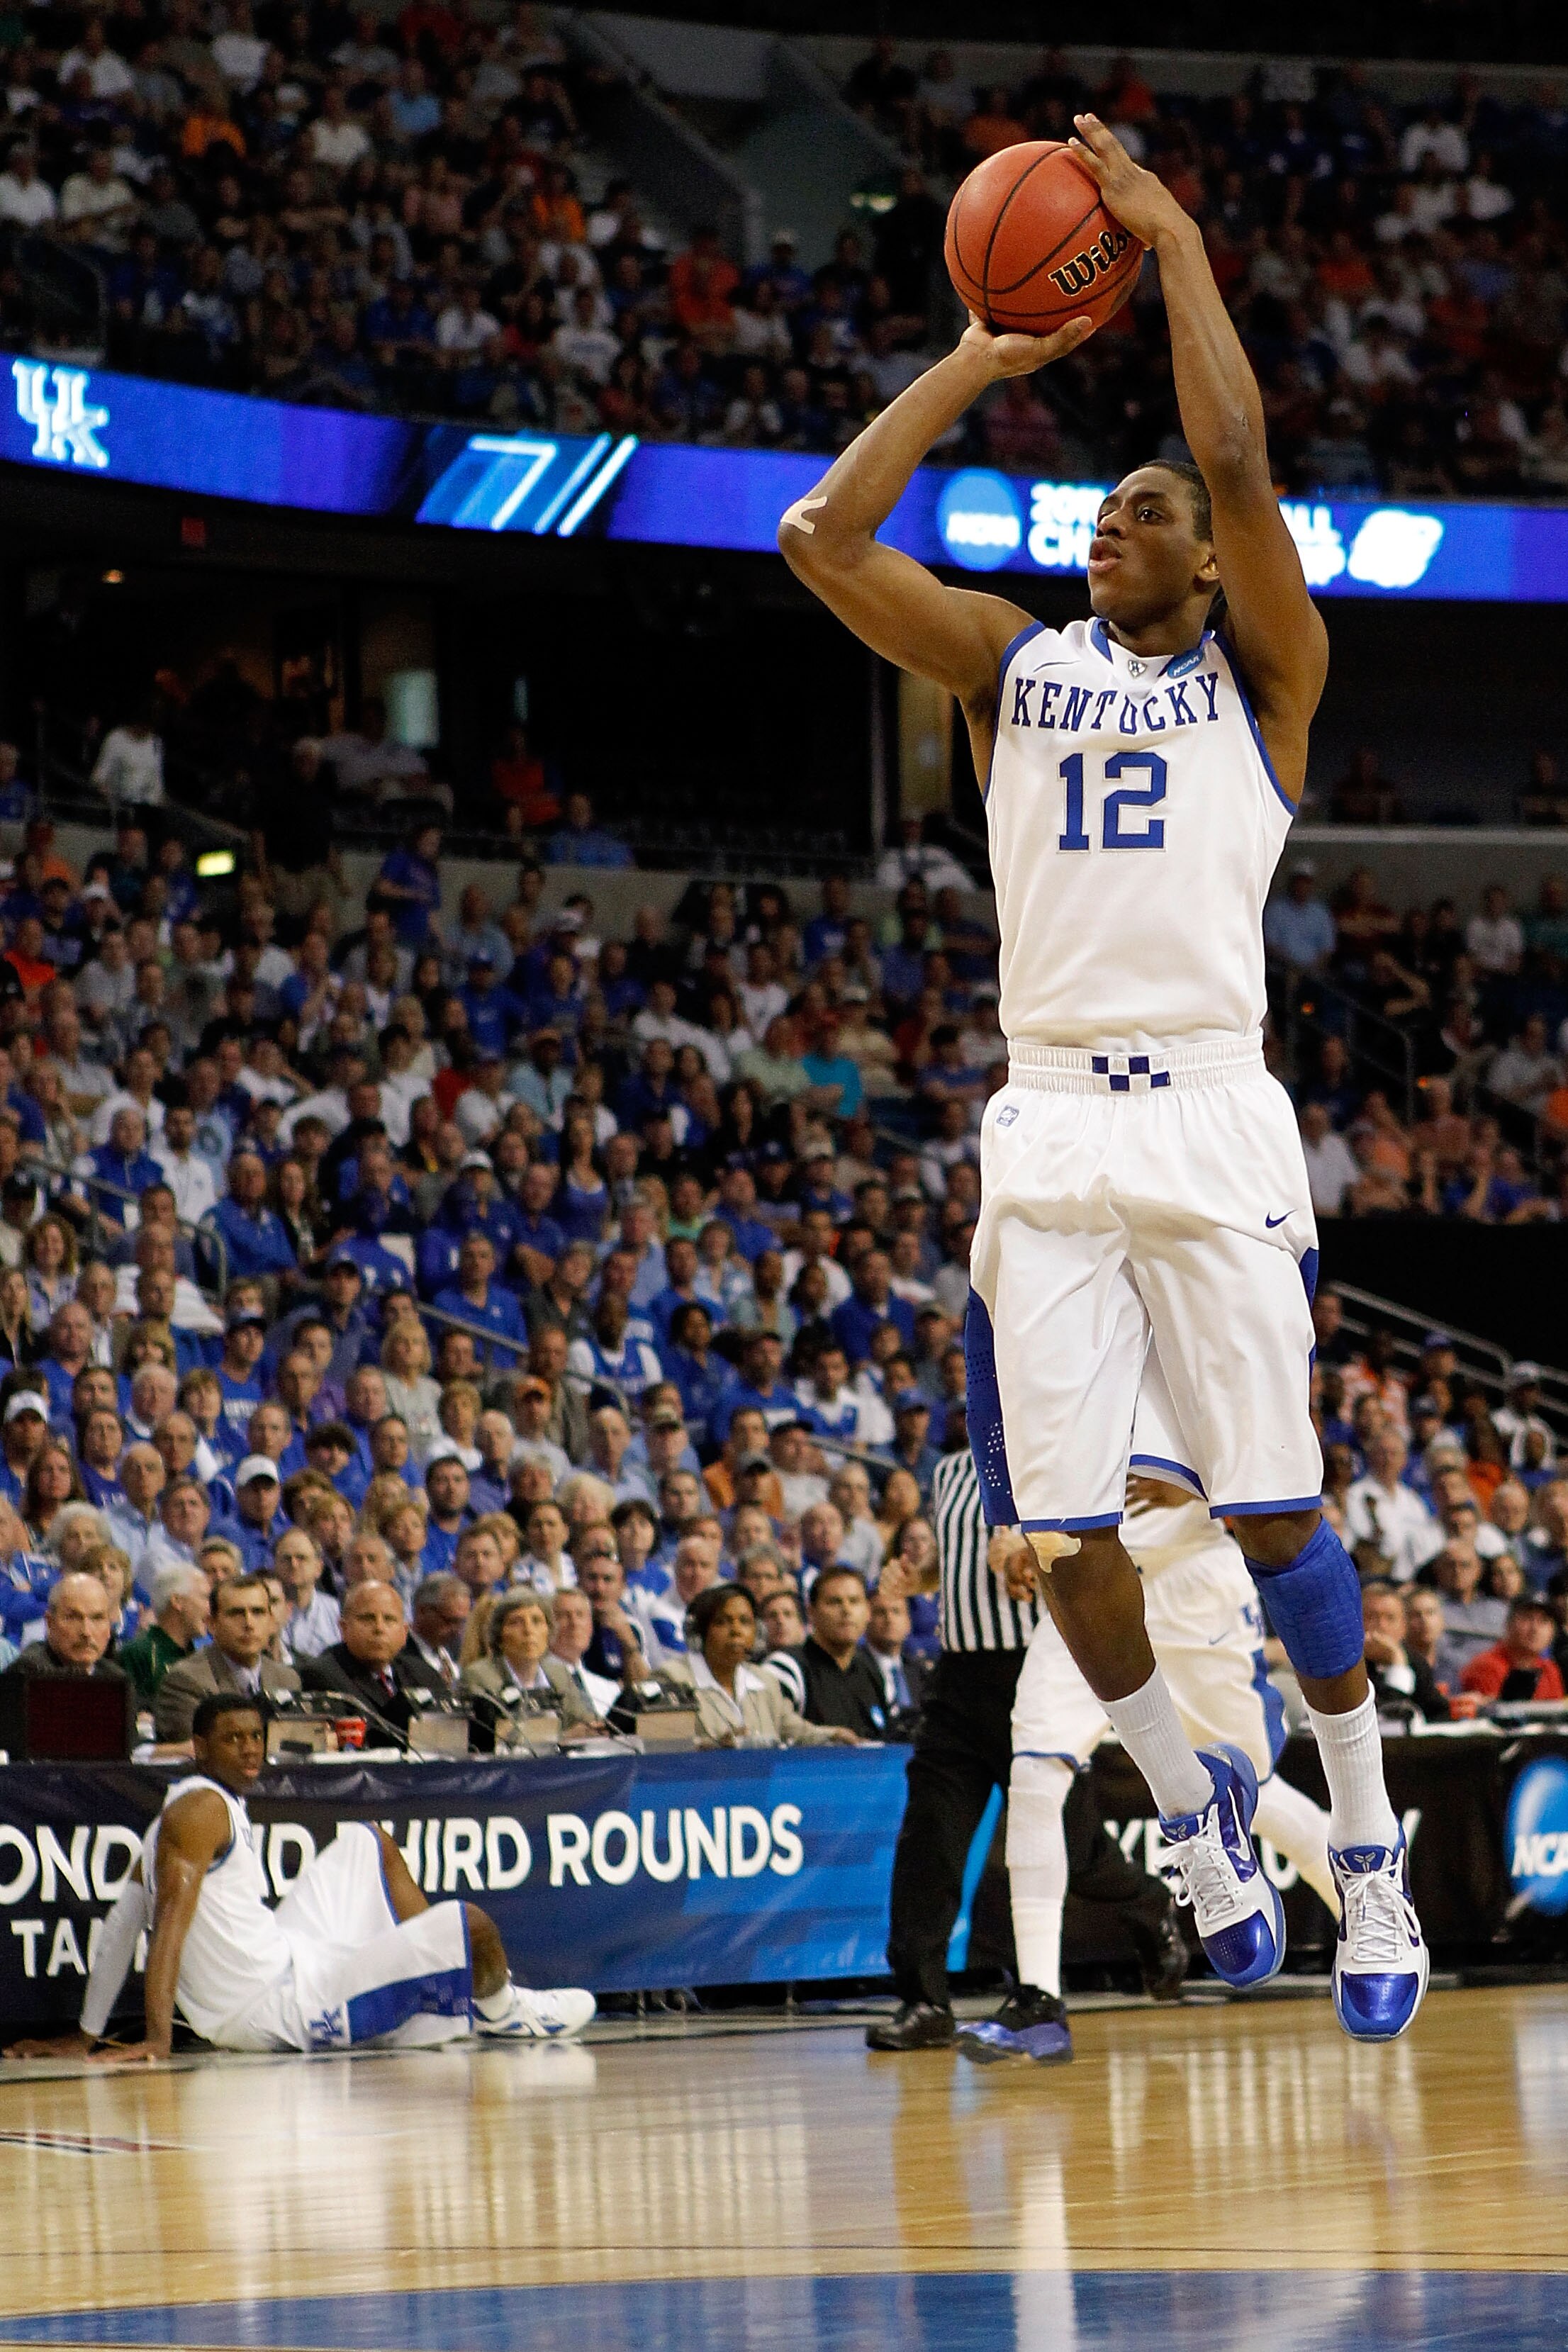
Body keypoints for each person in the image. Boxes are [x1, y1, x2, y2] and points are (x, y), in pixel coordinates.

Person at [781, 109, 1426, 2041]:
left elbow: (1229, 450)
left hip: (1210, 1102)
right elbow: (819, 536)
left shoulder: (1265, 679)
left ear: (1203, 563)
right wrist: (979, 356)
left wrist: (1171, 241)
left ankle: (1369, 1846)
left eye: (1142, 511)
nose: (1114, 520)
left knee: (1273, 1517)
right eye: (1104, 507)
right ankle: (1207, 1820)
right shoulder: (1006, 665)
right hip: (1047, 1110)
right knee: (1053, 1538)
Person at [45, 1693, 594, 2055]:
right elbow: (165, 1924)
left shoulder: (182, 1805)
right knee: (471, 1923)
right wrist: (158, 2039)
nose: (250, 1747)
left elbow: (119, 1925)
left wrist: (87, 2034)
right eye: (233, 1739)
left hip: (285, 1956)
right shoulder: (201, 1812)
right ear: (200, 1747)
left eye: (256, 1736)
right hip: (271, 2008)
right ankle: (502, 2008)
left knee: (367, 1842)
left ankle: (441, 1976)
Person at [868, 1421, 1182, 2052]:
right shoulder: (950, 1470)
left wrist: (1027, 1556)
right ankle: (924, 2001)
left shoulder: (1056, 1454)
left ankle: (1150, 1906)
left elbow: (1094, 1556)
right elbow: (959, 1562)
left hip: (1038, 1669)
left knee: (1079, 1851)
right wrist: (922, 1577)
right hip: (957, 1679)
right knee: (930, 1838)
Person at [154, 1574, 301, 1741]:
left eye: (258, 1612)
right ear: (212, 1624)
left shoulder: (288, 1679)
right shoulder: (185, 1681)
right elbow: (198, 1750)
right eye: (236, 1613)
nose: (249, 1624)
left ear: (271, 1621)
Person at [298, 1578, 447, 1742]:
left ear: (405, 1632)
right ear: (344, 1628)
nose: (379, 1628)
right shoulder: (322, 1675)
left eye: (389, 1619)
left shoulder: (424, 1675)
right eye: (368, 1619)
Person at [119, 1561, 211, 1704]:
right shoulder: (139, 1654)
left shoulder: (199, 1655)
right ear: (177, 1602)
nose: (209, 1608)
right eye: (204, 1598)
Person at [1460, 1594, 1566, 1703]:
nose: (1535, 1629)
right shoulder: (1486, 1666)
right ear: (1508, 1624)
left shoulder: (1550, 1669)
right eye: (1528, 1618)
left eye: (1544, 1621)